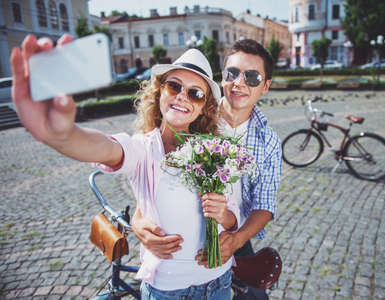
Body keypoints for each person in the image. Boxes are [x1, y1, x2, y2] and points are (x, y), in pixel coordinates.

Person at [10, 34, 241, 300]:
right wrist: (63, 136)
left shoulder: (217, 151)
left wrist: (223, 214)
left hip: (218, 282)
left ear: (204, 108)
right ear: (159, 92)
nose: (182, 97)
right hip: (168, 289)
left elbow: (235, 217)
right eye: (174, 86)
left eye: (195, 93)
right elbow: (107, 149)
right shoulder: (144, 148)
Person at [132, 39, 282, 300]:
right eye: (232, 73)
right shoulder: (193, 111)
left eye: (252, 77)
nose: (239, 82)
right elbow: (150, 178)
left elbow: (265, 204)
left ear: (266, 86)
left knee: (255, 296)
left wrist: (236, 240)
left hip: (236, 232)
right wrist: (139, 224)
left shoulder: (268, 140)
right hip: (179, 251)